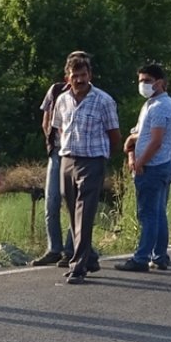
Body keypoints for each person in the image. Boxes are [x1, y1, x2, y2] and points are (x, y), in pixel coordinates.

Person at [53, 51, 119, 285]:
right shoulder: (62, 99)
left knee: (85, 212)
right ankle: (89, 257)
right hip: (68, 159)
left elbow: (114, 135)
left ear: (90, 75)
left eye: (83, 75)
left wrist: (102, 157)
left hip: (92, 160)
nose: (79, 80)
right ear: (67, 76)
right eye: (75, 75)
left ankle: (78, 266)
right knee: (72, 211)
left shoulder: (103, 100)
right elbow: (59, 128)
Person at [115, 64, 171, 272]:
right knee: (158, 212)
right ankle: (159, 255)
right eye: (141, 81)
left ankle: (141, 257)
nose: (143, 85)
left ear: (160, 82)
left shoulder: (161, 106)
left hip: (154, 166)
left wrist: (140, 162)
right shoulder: (151, 105)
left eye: (147, 81)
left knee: (148, 214)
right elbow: (141, 134)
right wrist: (131, 150)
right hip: (159, 166)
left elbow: (156, 140)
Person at [30, 72, 75, 266]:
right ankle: (54, 248)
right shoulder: (56, 91)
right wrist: (51, 141)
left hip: (77, 154)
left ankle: (71, 250)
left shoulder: (91, 95)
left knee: (74, 203)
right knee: (51, 201)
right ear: (67, 75)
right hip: (57, 151)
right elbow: (46, 120)